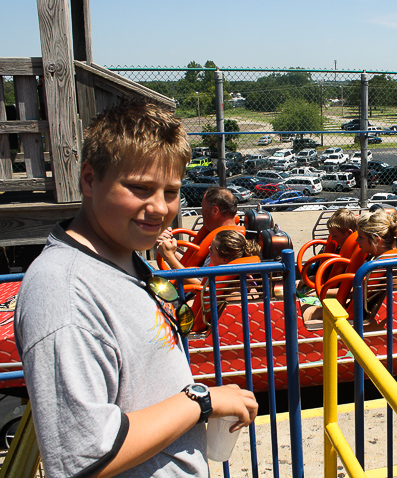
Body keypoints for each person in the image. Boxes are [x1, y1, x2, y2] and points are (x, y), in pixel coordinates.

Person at [15, 100, 258, 477]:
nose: (160, 208)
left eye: (172, 191)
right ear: (90, 179)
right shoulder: (64, 294)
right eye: (140, 188)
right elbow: (84, 457)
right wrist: (201, 401)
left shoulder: (124, 255)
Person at [157, 186, 239, 270]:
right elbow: (193, 263)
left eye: (203, 208)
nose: (201, 212)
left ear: (215, 211)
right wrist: (168, 247)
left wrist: (169, 257)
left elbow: (201, 281)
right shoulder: (214, 233)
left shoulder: (225, 243)